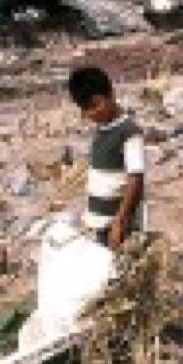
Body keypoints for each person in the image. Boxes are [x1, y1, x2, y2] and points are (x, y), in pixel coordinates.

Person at [67, 66, 147, 252]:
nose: (91, 113)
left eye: (95, 105)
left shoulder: (129, 132)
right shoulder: (102, 130)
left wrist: (120, 221)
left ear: (111, 94)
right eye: (85, 109)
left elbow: (135, 178)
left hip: (118, 222)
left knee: (121, 263)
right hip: (101, 220)